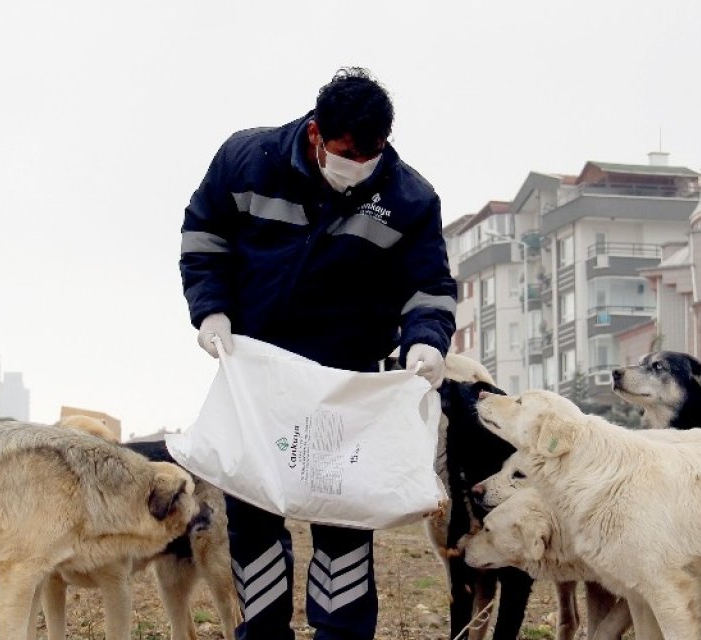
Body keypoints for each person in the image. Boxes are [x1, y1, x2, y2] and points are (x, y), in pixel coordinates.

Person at [179, 67, 457, 640]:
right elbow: (204, 234)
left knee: (344, 518)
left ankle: (343, 633)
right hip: (258, 373)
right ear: (316, 134)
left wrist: (426, 341)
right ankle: (262, 631)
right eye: (348, 151)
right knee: (253, 513)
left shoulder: (408, 198)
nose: (361, 161)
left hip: (345, 382)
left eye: (373, 150)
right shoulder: (247, 160)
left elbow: (428, 286)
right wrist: (210, 309)